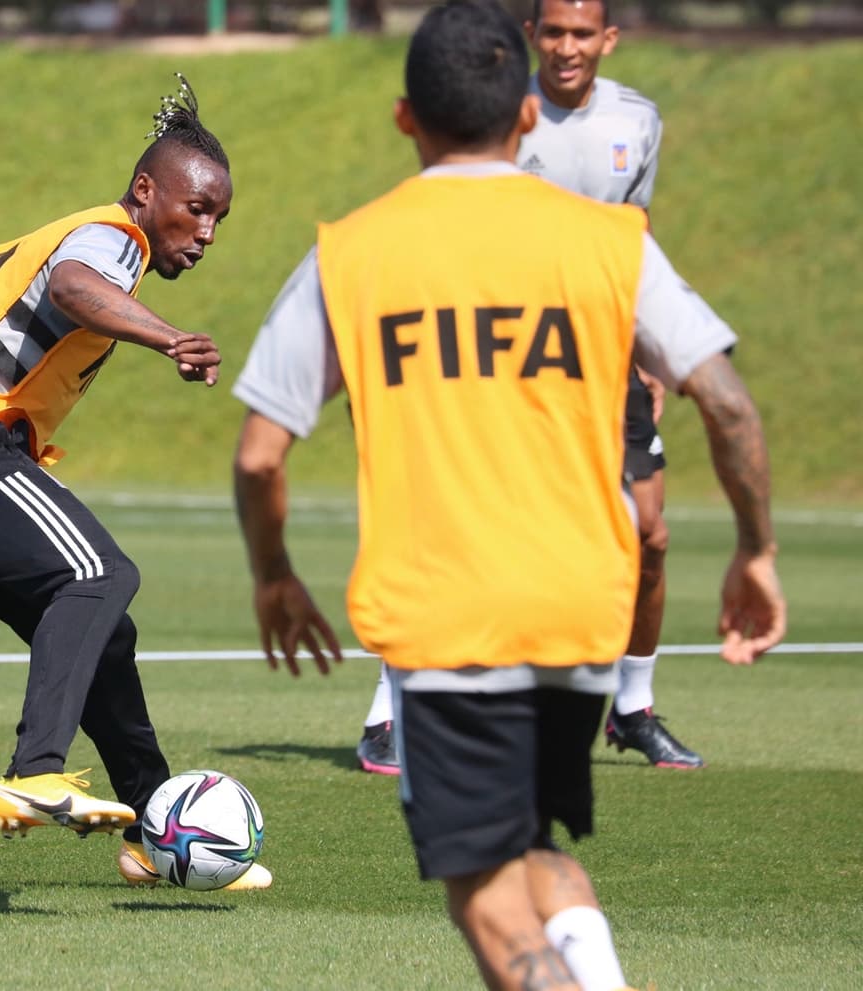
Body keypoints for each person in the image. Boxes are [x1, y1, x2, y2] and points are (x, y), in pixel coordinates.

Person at [232, 2, 785, 988]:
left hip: (450, 616)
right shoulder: (608, 243)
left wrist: (273, 573)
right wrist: (753, 550)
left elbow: (259, 457)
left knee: (479, 886)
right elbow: (729, 405)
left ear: (405, 118)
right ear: (523, 116)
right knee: (531, 843)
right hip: (581, 611)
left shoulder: (353, 251)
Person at [0, 74, 270, 891]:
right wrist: (168, 339)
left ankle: (151, 830)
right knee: (101, 575)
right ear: (145, 190)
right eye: (196, 208)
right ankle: (36, 769)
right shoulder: (113, 238)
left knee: (107, 634)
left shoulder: (104, 241)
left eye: (219, 218)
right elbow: (73, 286)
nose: (205, 232)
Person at [517, 0, 700, 769]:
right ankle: (392, 714)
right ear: (532, 35)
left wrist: (649, 347)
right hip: (512, 361)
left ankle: (632, 705)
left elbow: (636, 238)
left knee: (649, 534)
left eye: (581, 33)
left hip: (607, 360)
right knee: (486, 535)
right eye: (553, 31)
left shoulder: (638, 120)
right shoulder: (502, 116)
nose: (566, 47)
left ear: (608, 38)